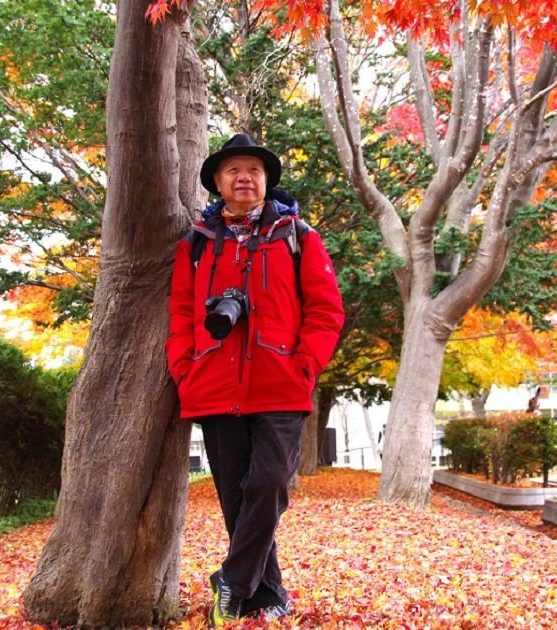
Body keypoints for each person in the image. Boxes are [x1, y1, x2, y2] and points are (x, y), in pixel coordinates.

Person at [165, 133, 345, 625]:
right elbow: (181, 314)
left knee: (268, 485)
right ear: (217, 182)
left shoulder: (297, 235)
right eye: (233, 170)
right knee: (236, 500)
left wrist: (304, 364)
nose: (245, 177)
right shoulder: (197, 244)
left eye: (254, 170)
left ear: (266, 181)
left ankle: (233, 582)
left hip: (280, 382)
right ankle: (267, 595)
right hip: (213, 386)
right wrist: (185, 368)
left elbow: (327, 310)